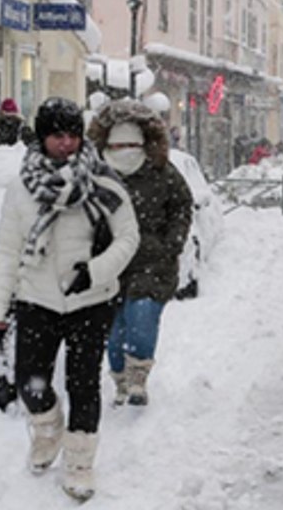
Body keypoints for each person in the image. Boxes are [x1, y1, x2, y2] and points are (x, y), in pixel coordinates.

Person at [0, 97, 140, 501]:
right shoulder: (22, 188)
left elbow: (128, 238)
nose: (67, 143)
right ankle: (48, 429)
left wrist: (94, 271)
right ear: (42, 138)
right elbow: (6, 250)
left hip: (91, 300)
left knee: (83, 383)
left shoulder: (102, 182)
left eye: (73, 135)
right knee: (30, 381)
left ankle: (80, 463)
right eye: (57, 135)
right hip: (37, 299)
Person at [87, 100, 193, 407]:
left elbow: (182, 206)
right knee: (115, 328)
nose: (125, 151)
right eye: (118, 145)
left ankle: (138, 377)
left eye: (131, 145)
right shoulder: (96, 174)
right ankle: (120, 378)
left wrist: (171, 244)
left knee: (142, 315)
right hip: (110, 262)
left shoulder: (162, 172)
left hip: (152, 261)